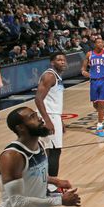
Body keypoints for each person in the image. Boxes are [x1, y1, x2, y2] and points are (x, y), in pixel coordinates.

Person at [35, 52, 66, 180]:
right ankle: (52, 186)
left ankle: (43, 182)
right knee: (54, 151)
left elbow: (54, 101)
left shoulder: (57, 77)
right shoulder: (49, 76)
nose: (62, 62)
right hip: (49, 116)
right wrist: (47, 120)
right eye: (59, 60)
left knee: (48, 151)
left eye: (64, 60)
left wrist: (60, 120)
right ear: (52, 62)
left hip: (54, 115)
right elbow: (38, 99)